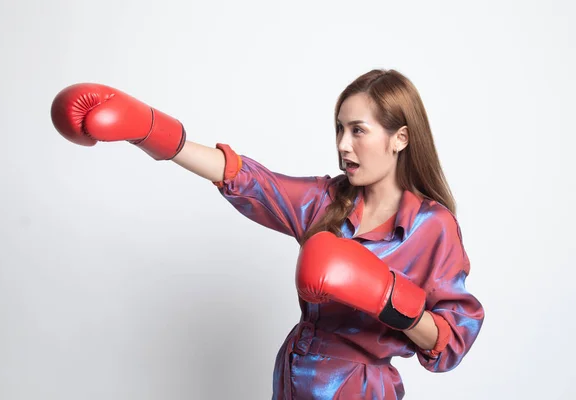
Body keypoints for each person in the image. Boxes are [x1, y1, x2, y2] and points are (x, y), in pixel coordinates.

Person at [50, 69, 485, 399]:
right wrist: (151, 131)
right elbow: (249, 181)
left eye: (358, 130)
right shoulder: (324, 200)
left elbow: (451, 345)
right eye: (339, 128)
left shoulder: (433, 227)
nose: (343, 145)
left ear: (400, 138)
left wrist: (393, 302)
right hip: (293, 376)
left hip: (358, 389)